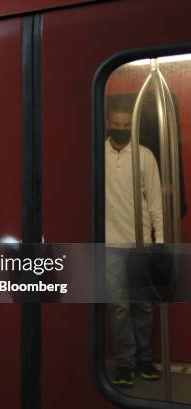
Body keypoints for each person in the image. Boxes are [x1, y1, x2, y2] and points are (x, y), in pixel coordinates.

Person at [105, 96, 163, 387]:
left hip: (140, 242)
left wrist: (160, 242)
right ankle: (125, 363)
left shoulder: (145, 156)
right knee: (118, 306)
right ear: (107, 124)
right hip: (109, 244)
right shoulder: (96, 155)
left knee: (142, 305)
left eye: (126, 125)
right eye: (116, 124)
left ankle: (144, 358)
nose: (121, 129)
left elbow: (155, 202)